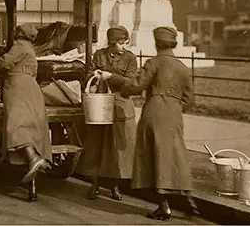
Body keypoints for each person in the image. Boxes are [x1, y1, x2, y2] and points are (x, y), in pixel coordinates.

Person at [98, 26, 200, 220]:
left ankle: (164, 205)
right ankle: (186, 195)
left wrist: (120, 86)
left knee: (151, 157)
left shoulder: (154, 63)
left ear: (156, 43)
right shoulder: (182, 67)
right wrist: (176, 109)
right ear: (173, 44)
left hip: (154, 112)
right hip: (174, 114)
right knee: (176, 155)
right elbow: (190, 99)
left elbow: (137, 85)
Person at [0, 23, 51, 201]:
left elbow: (4, 63)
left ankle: (32, 159)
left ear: (19, 35)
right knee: (31, 130)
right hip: (31, 89)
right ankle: (33, 188)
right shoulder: (30, 49)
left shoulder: (20, 46)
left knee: (15, 127)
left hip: (18, 90)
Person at [79, 26, 138, 201]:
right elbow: (88, 74)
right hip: (100, 106)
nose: (123, 46)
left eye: (124, 42)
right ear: (111, 43)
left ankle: (115, 186)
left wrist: (110, 76)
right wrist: (95, 74)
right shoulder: (100, 54)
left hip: (120, 107)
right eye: (119, 43)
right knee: (96, 147)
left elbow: (131, 82)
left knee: (115, 150)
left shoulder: (130, 58)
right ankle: (95, 184)